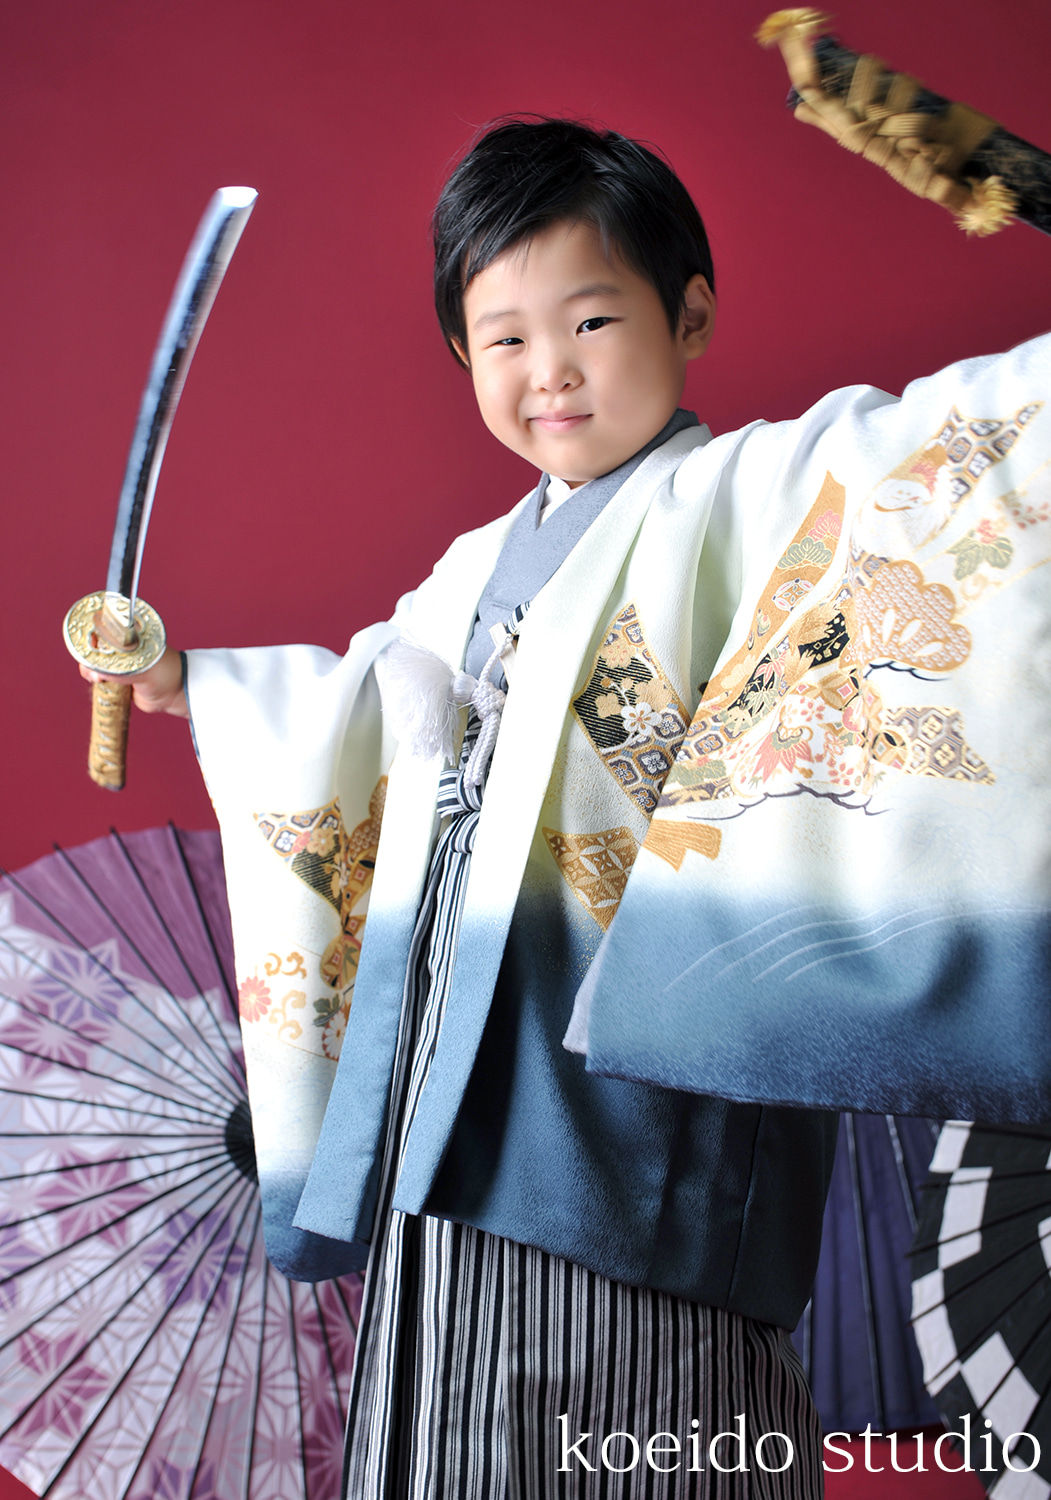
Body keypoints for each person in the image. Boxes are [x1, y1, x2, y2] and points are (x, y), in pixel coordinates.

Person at [82, 117, 1051, 1497]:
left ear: (690, 313)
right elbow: (359, 715)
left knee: (646, 1403)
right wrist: (187, 679)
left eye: (591, 320)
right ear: (462, 356)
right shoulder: (471, 565)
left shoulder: (751, 495)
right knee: (446, 1409)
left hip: (627, 1077)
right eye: (506, 338)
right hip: (447, 1066)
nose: (551, 370)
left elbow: (947, 462)